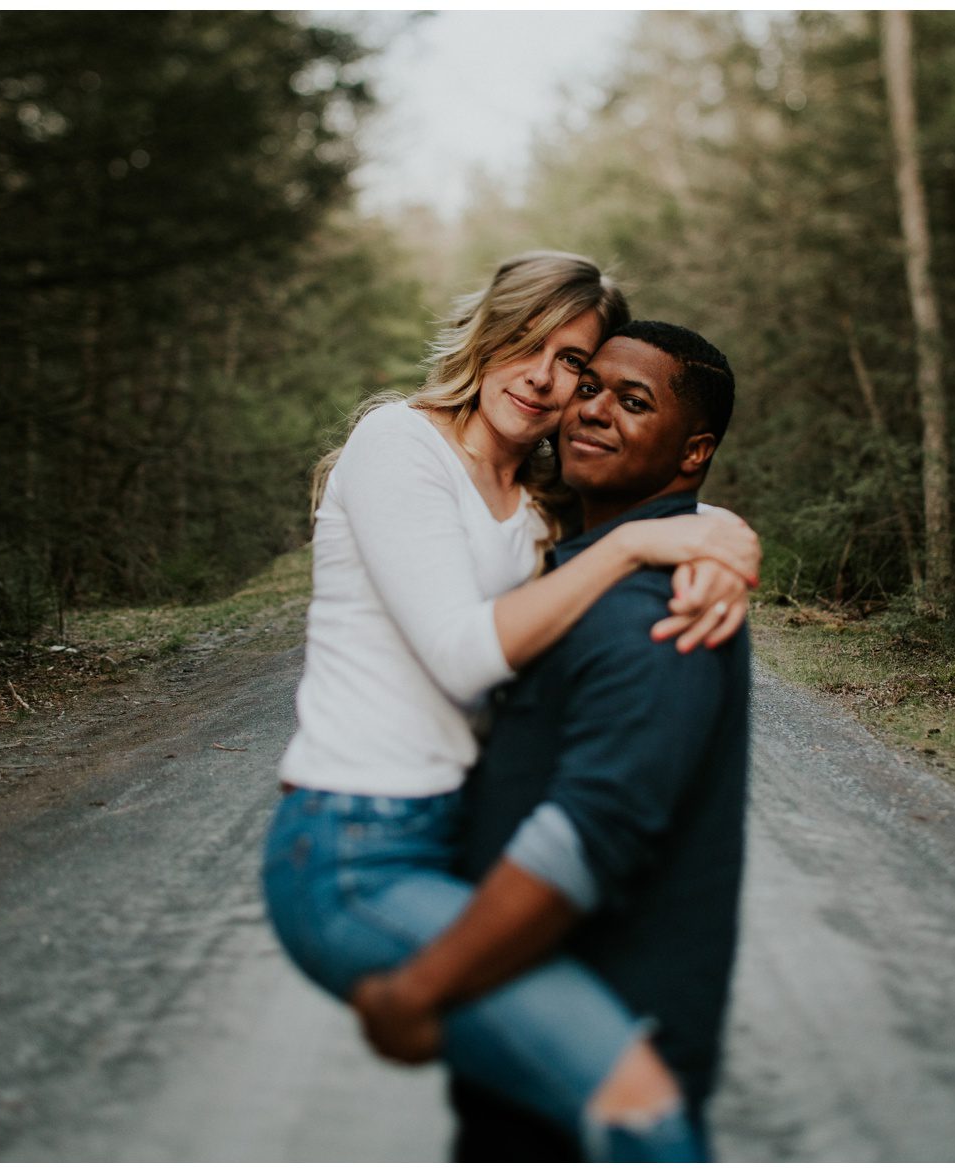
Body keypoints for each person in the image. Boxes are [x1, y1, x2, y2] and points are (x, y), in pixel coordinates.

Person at [260, 254, 758, 1160]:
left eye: (572, 360)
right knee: (630, 1098)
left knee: (530, 1125)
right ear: (485, 332)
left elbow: (651, 488)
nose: (545, 376)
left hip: (442, 846)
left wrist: (720, 534)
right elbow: (461, 653)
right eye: (527, 340)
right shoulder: (398, 444)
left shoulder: (535, 498)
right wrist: (648, 540)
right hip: (350, 850)